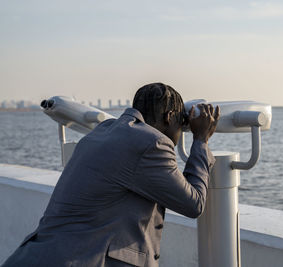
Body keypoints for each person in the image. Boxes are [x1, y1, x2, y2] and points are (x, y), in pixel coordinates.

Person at [2, 83, 220, 267]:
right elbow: (194, 204)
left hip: (34, 255)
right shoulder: (153, 143)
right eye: (181, 122)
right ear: (170, 116)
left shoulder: (103, 131)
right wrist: (201, 140)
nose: (181, 130)